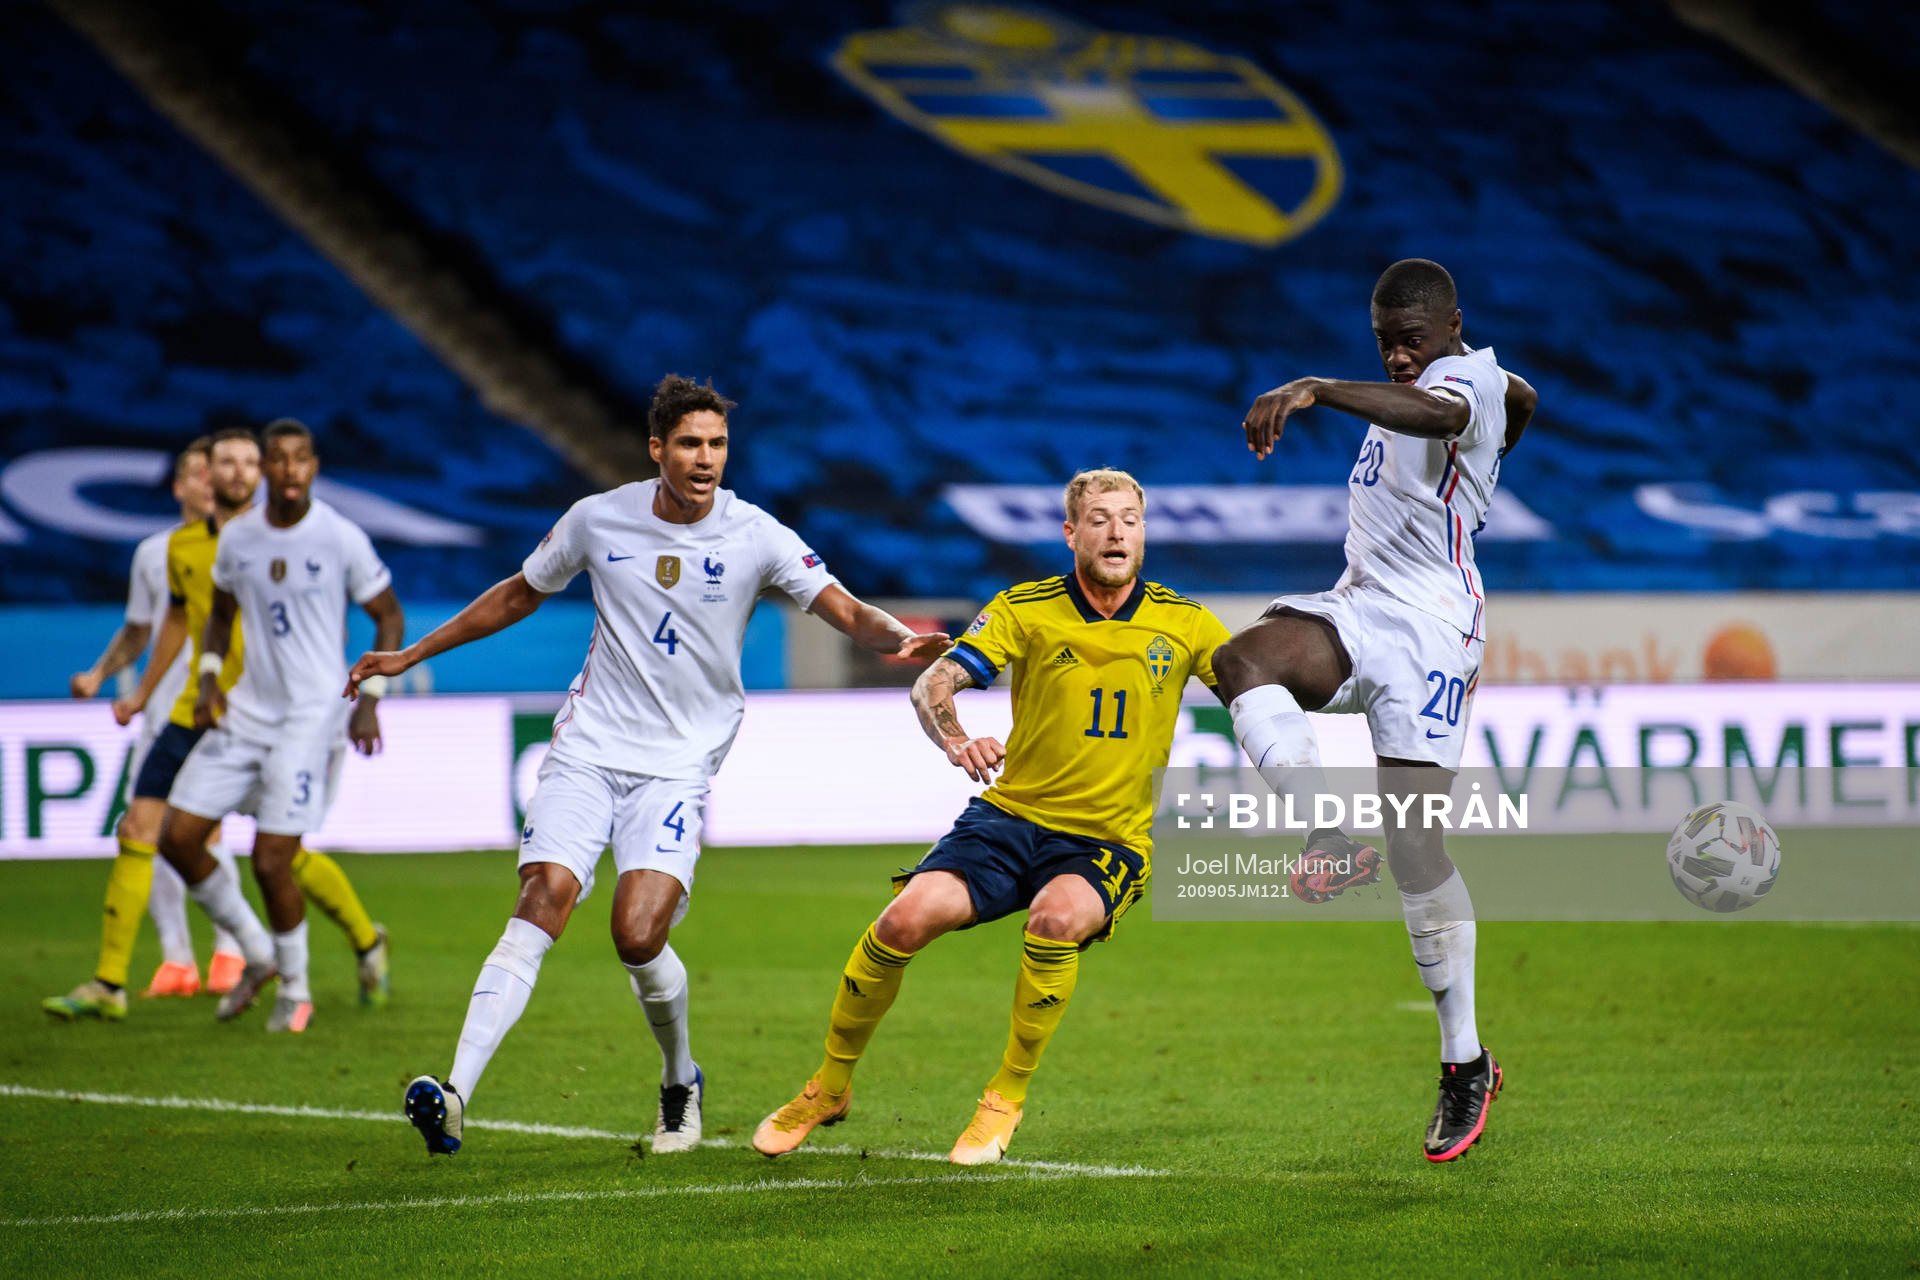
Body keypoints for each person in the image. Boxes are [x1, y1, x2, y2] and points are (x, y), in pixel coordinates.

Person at [354, 374, 945, 1158]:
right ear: (657, 449)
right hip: (588, 748)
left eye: (719, 444)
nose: (707, 459)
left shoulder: (755, 533)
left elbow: (842, 608)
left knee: (637, 935)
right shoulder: (599, 520)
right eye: (692, 444)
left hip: (676, 766)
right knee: (544, 895)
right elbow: (517, 595)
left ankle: (679, 1082)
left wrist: (900, 638)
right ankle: (456, 1093)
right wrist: (413, 652)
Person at [754, 468, 1231, 1165]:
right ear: (1071, 533)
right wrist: (955, 736)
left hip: (1107, 839)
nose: (1117, 531)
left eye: (1130, 518)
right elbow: (934, 681)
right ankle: (829, 1085)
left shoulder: (1186, 623)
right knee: (901, 920)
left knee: (1056, 919)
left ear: (1145, 531)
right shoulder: (1024, 607)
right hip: (1010, 817)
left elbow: (1257, 698)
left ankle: (1004, 1097)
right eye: (1099, 519)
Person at [1218, 258, 1538, 1163]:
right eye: (1385, 344)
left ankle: (1465, 1063)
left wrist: (1320, 386)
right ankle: (1325, 836)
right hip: (1360, 607)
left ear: (1450, 327)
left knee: (1416, 852)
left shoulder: (1462, 378)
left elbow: (1450, 412)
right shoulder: (1484, 379)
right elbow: (1526, 397)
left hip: (1436, 633)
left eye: (1412, 341)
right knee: (1241, 659)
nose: (1399, 357)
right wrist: (1508, 439)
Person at [157, 419, 406, 1035]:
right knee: (176, 837)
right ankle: (257, 951)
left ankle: (295, 990)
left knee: (273, 860)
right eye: (279, 460)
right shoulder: (238, 538)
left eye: (301, 460)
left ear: (313, 468)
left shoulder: (339, 537)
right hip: (245, 711)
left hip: (311, 717)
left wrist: (370, 699)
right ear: (266, 469)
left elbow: (389, 616)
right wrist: (211, 677)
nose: (290, 470)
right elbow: (219, 612)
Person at [42, 439, 245, 1019]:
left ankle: (236, 950)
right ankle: (176, 959)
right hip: (167, 712)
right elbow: (146, 630)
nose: (210, 481)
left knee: (205, 836)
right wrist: (108, 678)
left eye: (218, 471)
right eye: (198, 473)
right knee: (144, 831)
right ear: (179, 486)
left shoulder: (248, 543)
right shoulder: (156, 553)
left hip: (228, 711)